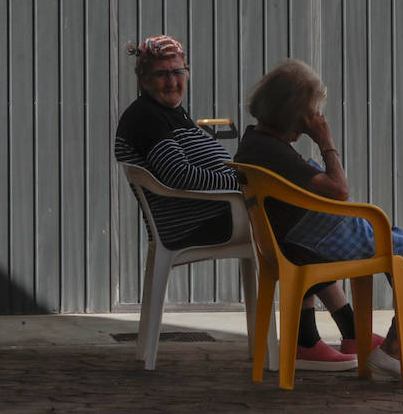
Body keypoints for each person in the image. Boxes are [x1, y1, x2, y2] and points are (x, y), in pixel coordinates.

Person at [114, 34, 370, 369]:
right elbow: (178, 177)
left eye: (178, 72)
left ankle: (329, 334)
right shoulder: (148, 118)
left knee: (292, 218)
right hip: (197, 221)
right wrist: (246, 182)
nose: (172, 81)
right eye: (162, 74)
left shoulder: (170, 113)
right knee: (292, 225)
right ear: (143, 78)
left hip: (216, 212)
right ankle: (322, 336)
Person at [234, 58, 403, 381]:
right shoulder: (275, 154)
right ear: (292, 114)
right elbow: (339, 190)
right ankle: (393, 350)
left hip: (304, 239)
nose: (314, 119)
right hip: (315, 243)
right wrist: (325, 142)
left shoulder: (254, 143)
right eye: (309, 112)